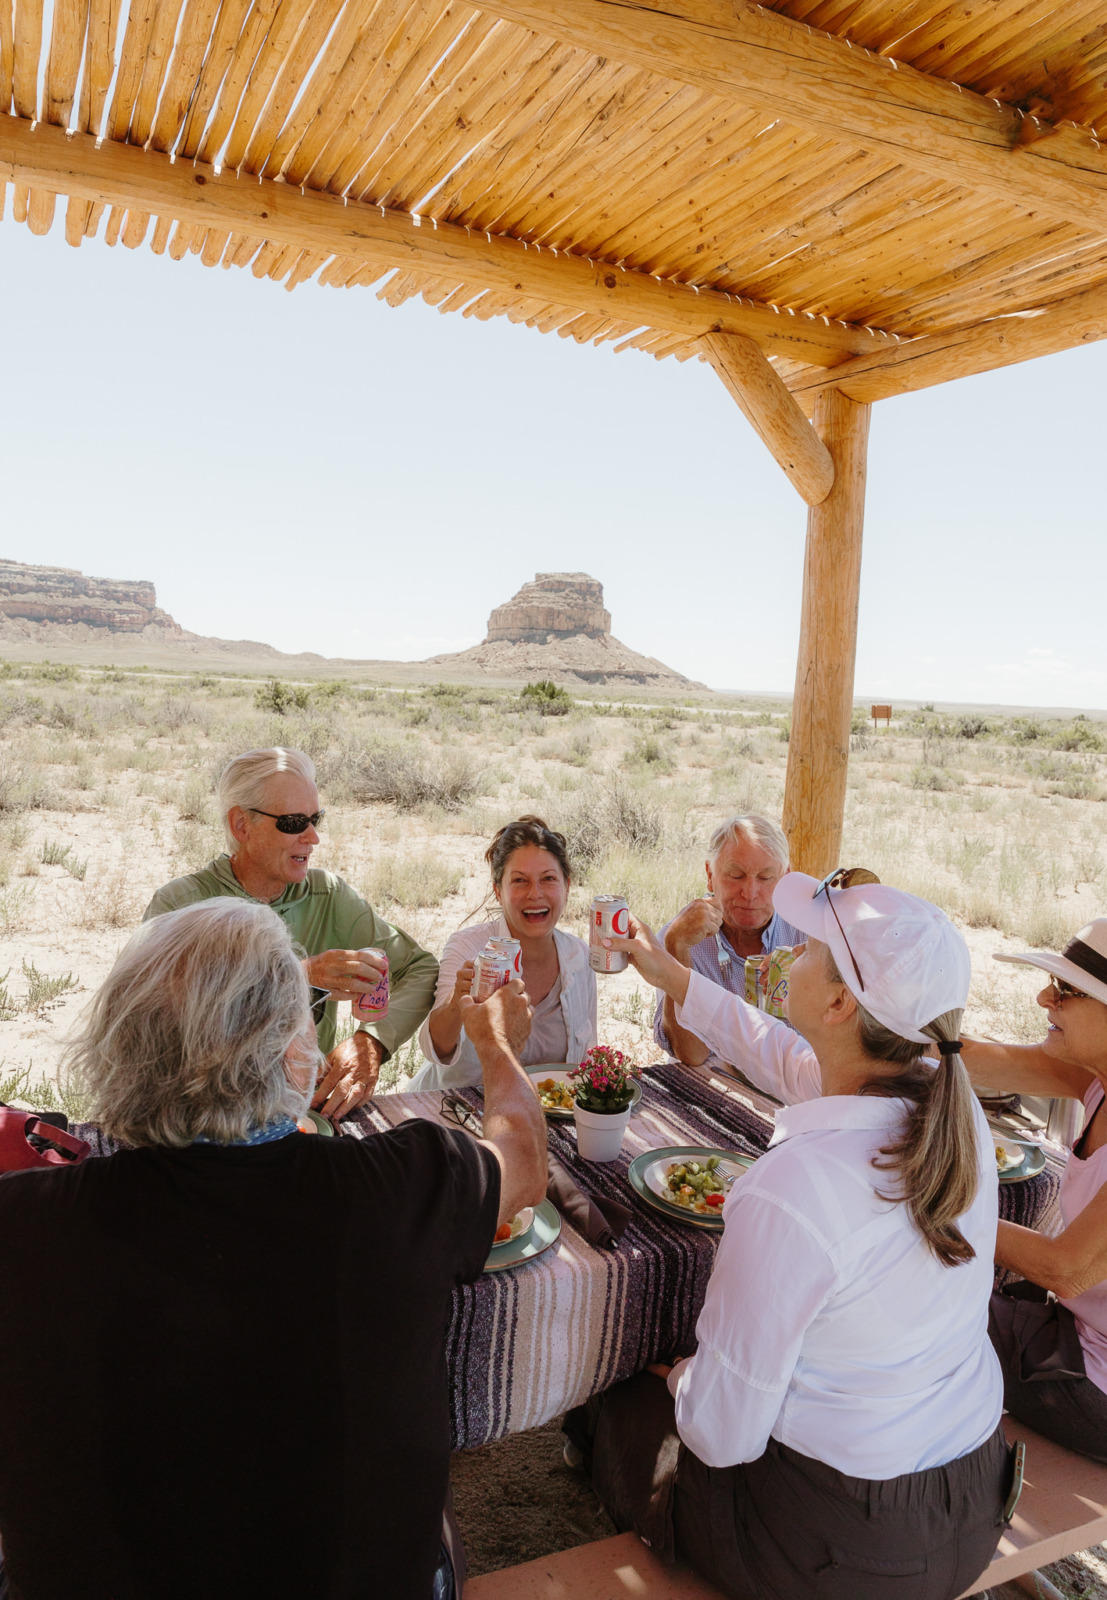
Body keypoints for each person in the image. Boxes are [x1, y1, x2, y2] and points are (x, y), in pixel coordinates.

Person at [0, 898, 546, 1600]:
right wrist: (496, 1043)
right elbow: (523, 1162)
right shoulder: (402, 1184)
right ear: (295, 1054)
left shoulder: (24, 1226)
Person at [566, 869, 1013, 1600]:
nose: (784, 958)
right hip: (969, 1503)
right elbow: (775, 1052)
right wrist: (673, 976)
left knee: (620, 1391)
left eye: (804, 949)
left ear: (839, 1003)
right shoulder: (946, 1109)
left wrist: (677, 1376)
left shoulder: (793, 1188)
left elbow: (722, 1438)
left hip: (846, 1550)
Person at [144, 747, 439, 1119]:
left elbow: (420, 968)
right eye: (293, 822)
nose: (312, 837)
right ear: (241, 825)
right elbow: (151, 1022)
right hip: (198, 1115)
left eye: (316, 819)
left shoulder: (328, 897)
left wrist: (371, 1043)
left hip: (301, 1116)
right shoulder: (180, 905)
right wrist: (298, 976)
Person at [960, 917, 1107, 1464]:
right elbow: (975, 1058)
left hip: (1096, 1388)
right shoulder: (1096, 1080)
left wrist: (940, 1205)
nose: (1045, 996)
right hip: (1081, 1337)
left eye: (1067, 991)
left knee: (915, 1307)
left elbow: (1064, 1269)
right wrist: (890, 1033)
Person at [412, 815, 596, 1091]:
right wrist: (456, 1003)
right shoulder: (469, 947)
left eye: (548, 879)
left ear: (567, 887)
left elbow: (585, 1062)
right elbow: (436, 1050)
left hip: (545, 1115)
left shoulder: (579, 955)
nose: (535, 894)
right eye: (520, 881)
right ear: (498, 891)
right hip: (456, 1111)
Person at [653, 814, 804, 1071]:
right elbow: (691, 1053)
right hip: (712, 1092)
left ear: (785, 878)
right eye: (735, 875)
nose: (750, 892)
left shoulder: (807, 932)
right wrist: (677, 949)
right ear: (710, 875)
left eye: (766, 877)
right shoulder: (681, 937)